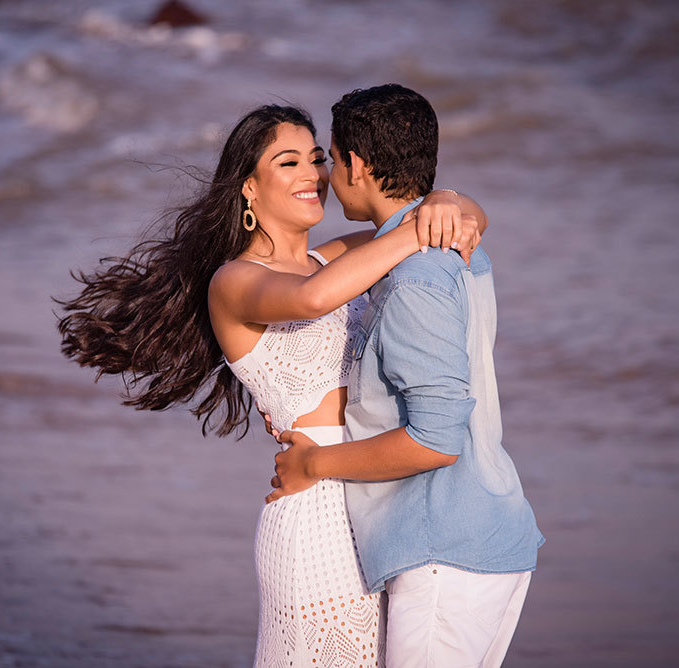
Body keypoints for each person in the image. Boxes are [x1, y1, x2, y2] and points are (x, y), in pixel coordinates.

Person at [57, 104, 486, 667]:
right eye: (289, 162)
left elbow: (463, 219)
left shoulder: (336, 258)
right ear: (248, 189)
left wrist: (446, 199)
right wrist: (421, 226)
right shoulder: (234, 280)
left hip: (381, 505)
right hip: (315, 512)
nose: (313, 174)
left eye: (317, 158)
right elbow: (314, 298)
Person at [268, 85, 545, 667]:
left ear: (357, 166)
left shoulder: (414, 278)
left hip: (445, 549)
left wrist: (313, 464)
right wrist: (446, 198)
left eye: (329, 159)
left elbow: (436, 440)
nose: (325, 175)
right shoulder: (457, 247)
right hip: (479, 539)